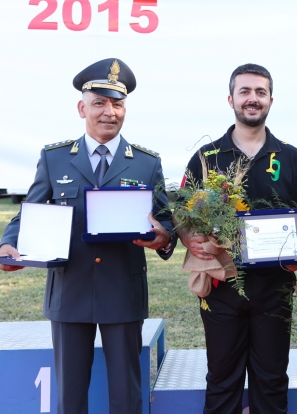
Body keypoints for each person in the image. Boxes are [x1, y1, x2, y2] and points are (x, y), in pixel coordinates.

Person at [0, 58, 175, 414]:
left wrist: (163, 238)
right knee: (71, 394)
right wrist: (9, 241)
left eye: (118, 104)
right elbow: (30, 210)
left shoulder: (146, 162)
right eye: (99, 102)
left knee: (127, 394)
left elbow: (165, 221)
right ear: (82, 108)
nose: (109, 112)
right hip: (70, 288)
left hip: (122, 290)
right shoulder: (55, 158)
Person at [178, 63, 297, 414]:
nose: (252, 99)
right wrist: (189, 238)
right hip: (222, 289)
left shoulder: (292, 157)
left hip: (274, 289)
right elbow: (182, 212)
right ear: (231, 99)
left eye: (260, 92)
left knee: (271, 381)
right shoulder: (206, 158)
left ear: (270, 100)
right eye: (245, 92)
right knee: (222, 380)